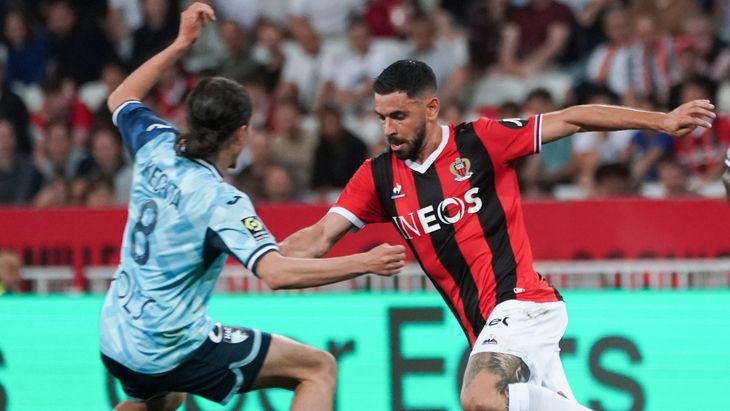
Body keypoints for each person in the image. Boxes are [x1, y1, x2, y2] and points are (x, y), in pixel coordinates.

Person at [280, 59, 715, 411]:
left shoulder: (480, 141)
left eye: (399, 116)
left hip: (523, 302)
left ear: (431, 108)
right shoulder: (377, 177)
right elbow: (318, 238)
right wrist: (258, 252)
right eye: (381, 118)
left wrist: (662, 121)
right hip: (486, 328)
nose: (389, 129)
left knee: (479, 396)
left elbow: (572, 119)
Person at [99, 4, 405, 411]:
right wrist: (364, 263)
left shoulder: (156, 144)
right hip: (166, 348)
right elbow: (275, 273)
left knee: (164, 398)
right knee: (318, 368)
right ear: (241, 133)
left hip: (116, 333)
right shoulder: (220, 200)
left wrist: (181, 43)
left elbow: (120, 97)